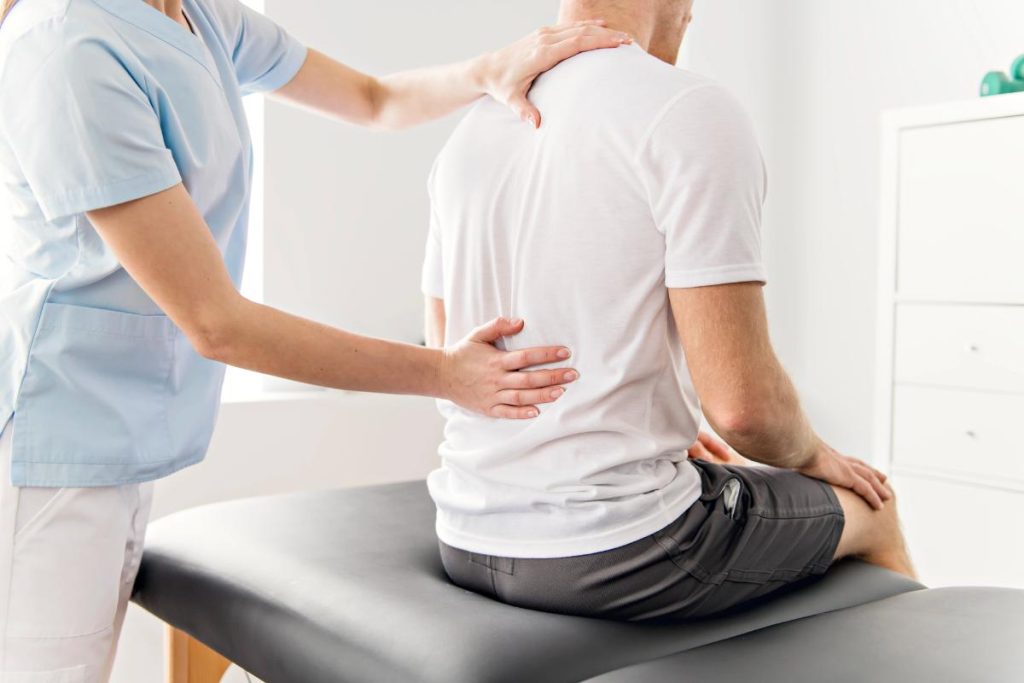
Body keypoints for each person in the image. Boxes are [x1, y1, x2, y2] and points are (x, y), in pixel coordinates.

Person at [0, 0, 633, 678]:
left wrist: (488, 71)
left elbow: (372, 98)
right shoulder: (69, 46)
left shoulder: (197, 17)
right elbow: (217, 322)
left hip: (120, 438)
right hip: (47, 445)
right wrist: (447, 373)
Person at [423, 0, 916, 622]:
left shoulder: (474, 128)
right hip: (621, 546)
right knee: (875, 508)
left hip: (465, 534)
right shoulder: (686, 107)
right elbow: (744, 410)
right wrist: (819, 458)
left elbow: (445, 351)